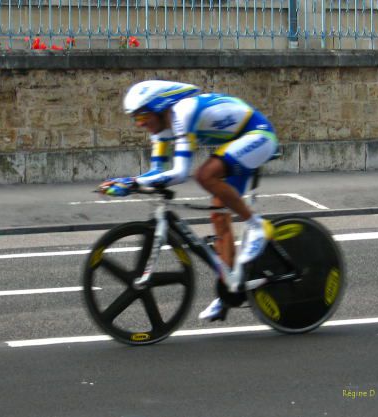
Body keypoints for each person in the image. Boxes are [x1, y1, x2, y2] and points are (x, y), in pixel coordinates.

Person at [99, 80, 278, 321]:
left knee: (205, 175)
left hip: (258, 135)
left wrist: (133, 184)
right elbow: (156, 173)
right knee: (218, 213)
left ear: (159, 107)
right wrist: (127, 182)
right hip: (237, 141)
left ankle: (258, 226)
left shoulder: (184, 112)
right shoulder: (161, 130)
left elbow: (181, 173)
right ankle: (230, 289)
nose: (141, 125)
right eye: (136, 120)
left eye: (142, 117)